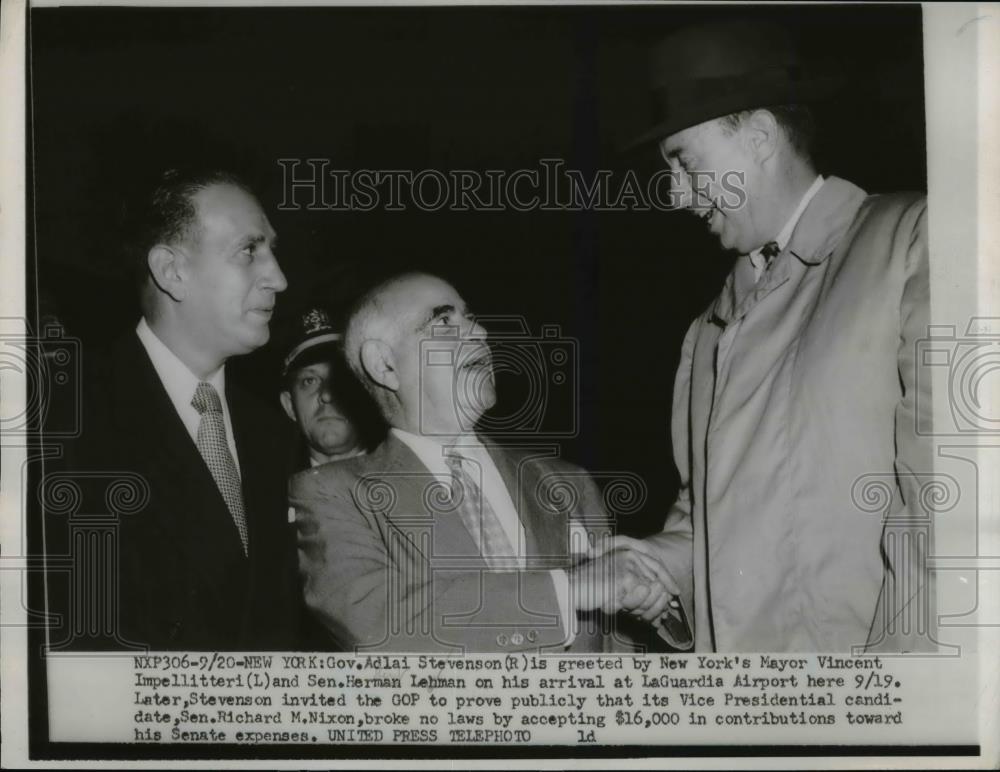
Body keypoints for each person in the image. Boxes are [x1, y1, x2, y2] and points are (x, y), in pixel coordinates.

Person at [617, 19, 934, 652]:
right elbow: (711, 515)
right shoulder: (706, 330)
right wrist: (648, 567)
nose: (677, 196)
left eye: (684, 162)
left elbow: (949, 498)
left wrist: (905, 697)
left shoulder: (913, 240)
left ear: (758, 136)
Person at [289, 272, 676, 652]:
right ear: (384, 365)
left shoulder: (569, 484)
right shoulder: (332, 493)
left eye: (470, 317)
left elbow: (618, 646)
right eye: (443, 321)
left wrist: (651, 599)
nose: (479, 333)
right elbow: (375, 624)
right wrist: (570, 590)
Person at [46, 167, 300, 650]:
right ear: (172, 271)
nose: (279, 278)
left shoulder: (273, 433)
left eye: (272, 249)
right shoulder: (63, 419)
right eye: (249, 250)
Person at [279, 306, 373, 471]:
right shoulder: (265, 492)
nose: (327, 395)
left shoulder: (409, 482)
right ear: (289, 405)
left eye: (341, 379)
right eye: (309, 381)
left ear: (368, 393)